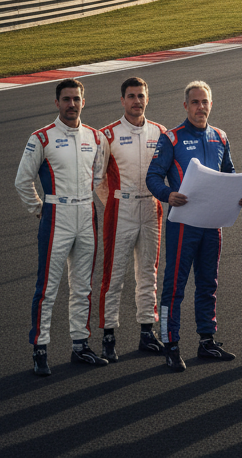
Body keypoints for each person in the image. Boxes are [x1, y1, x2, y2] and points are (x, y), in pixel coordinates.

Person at [146, 80, 242, 372]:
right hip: (183, 224)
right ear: (185, 106)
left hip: (213, 223)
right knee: (174, 287)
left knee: (209, 283)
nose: (200, 107)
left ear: (211, 104)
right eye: (195, 102)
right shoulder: (172, 138)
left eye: (205, 102)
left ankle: (207, 340)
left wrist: (240, 196)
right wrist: (168, 194)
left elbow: (229, 173)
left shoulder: (220, 136)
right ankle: (171, 343)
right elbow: (152, 177)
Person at [15, 79, 108, 375]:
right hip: (56, 215)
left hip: (86, 211)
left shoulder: (95, 137)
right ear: (57, 103)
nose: (71, 104)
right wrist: (40, 209)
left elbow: (98, 175)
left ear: (83, 101)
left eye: (76, 99)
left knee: (83, 285)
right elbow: (22, 180)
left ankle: (80, 345)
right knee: (48, 287)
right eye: (66, 99)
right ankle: (40, 349)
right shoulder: (41, 137)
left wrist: (82, 199)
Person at [97, 77, 168, 361]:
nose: (136, 101)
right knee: (113, 276)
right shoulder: (108, 134)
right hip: (121, 210)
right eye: (131, 96)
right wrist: (114, 203)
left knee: (148, 273)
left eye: (141, 96)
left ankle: (146, 332)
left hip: (151, 209)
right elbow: (97, 179)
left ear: (147, 99)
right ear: (122, 100)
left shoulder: (161, 132)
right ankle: (108, 336)